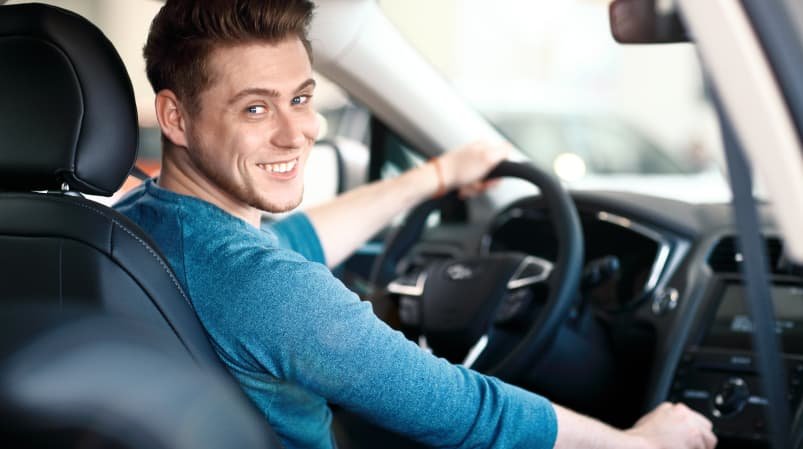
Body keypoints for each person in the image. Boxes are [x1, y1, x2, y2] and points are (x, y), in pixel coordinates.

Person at [115, 1, 717, 448]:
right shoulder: (268, 289)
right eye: (255, 108)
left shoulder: (134, 223)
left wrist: (436, 176)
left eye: (300, 98)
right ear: (175, 117)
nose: (297, 133)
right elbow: (463, 411)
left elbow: (295, 239)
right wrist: (640, 442)